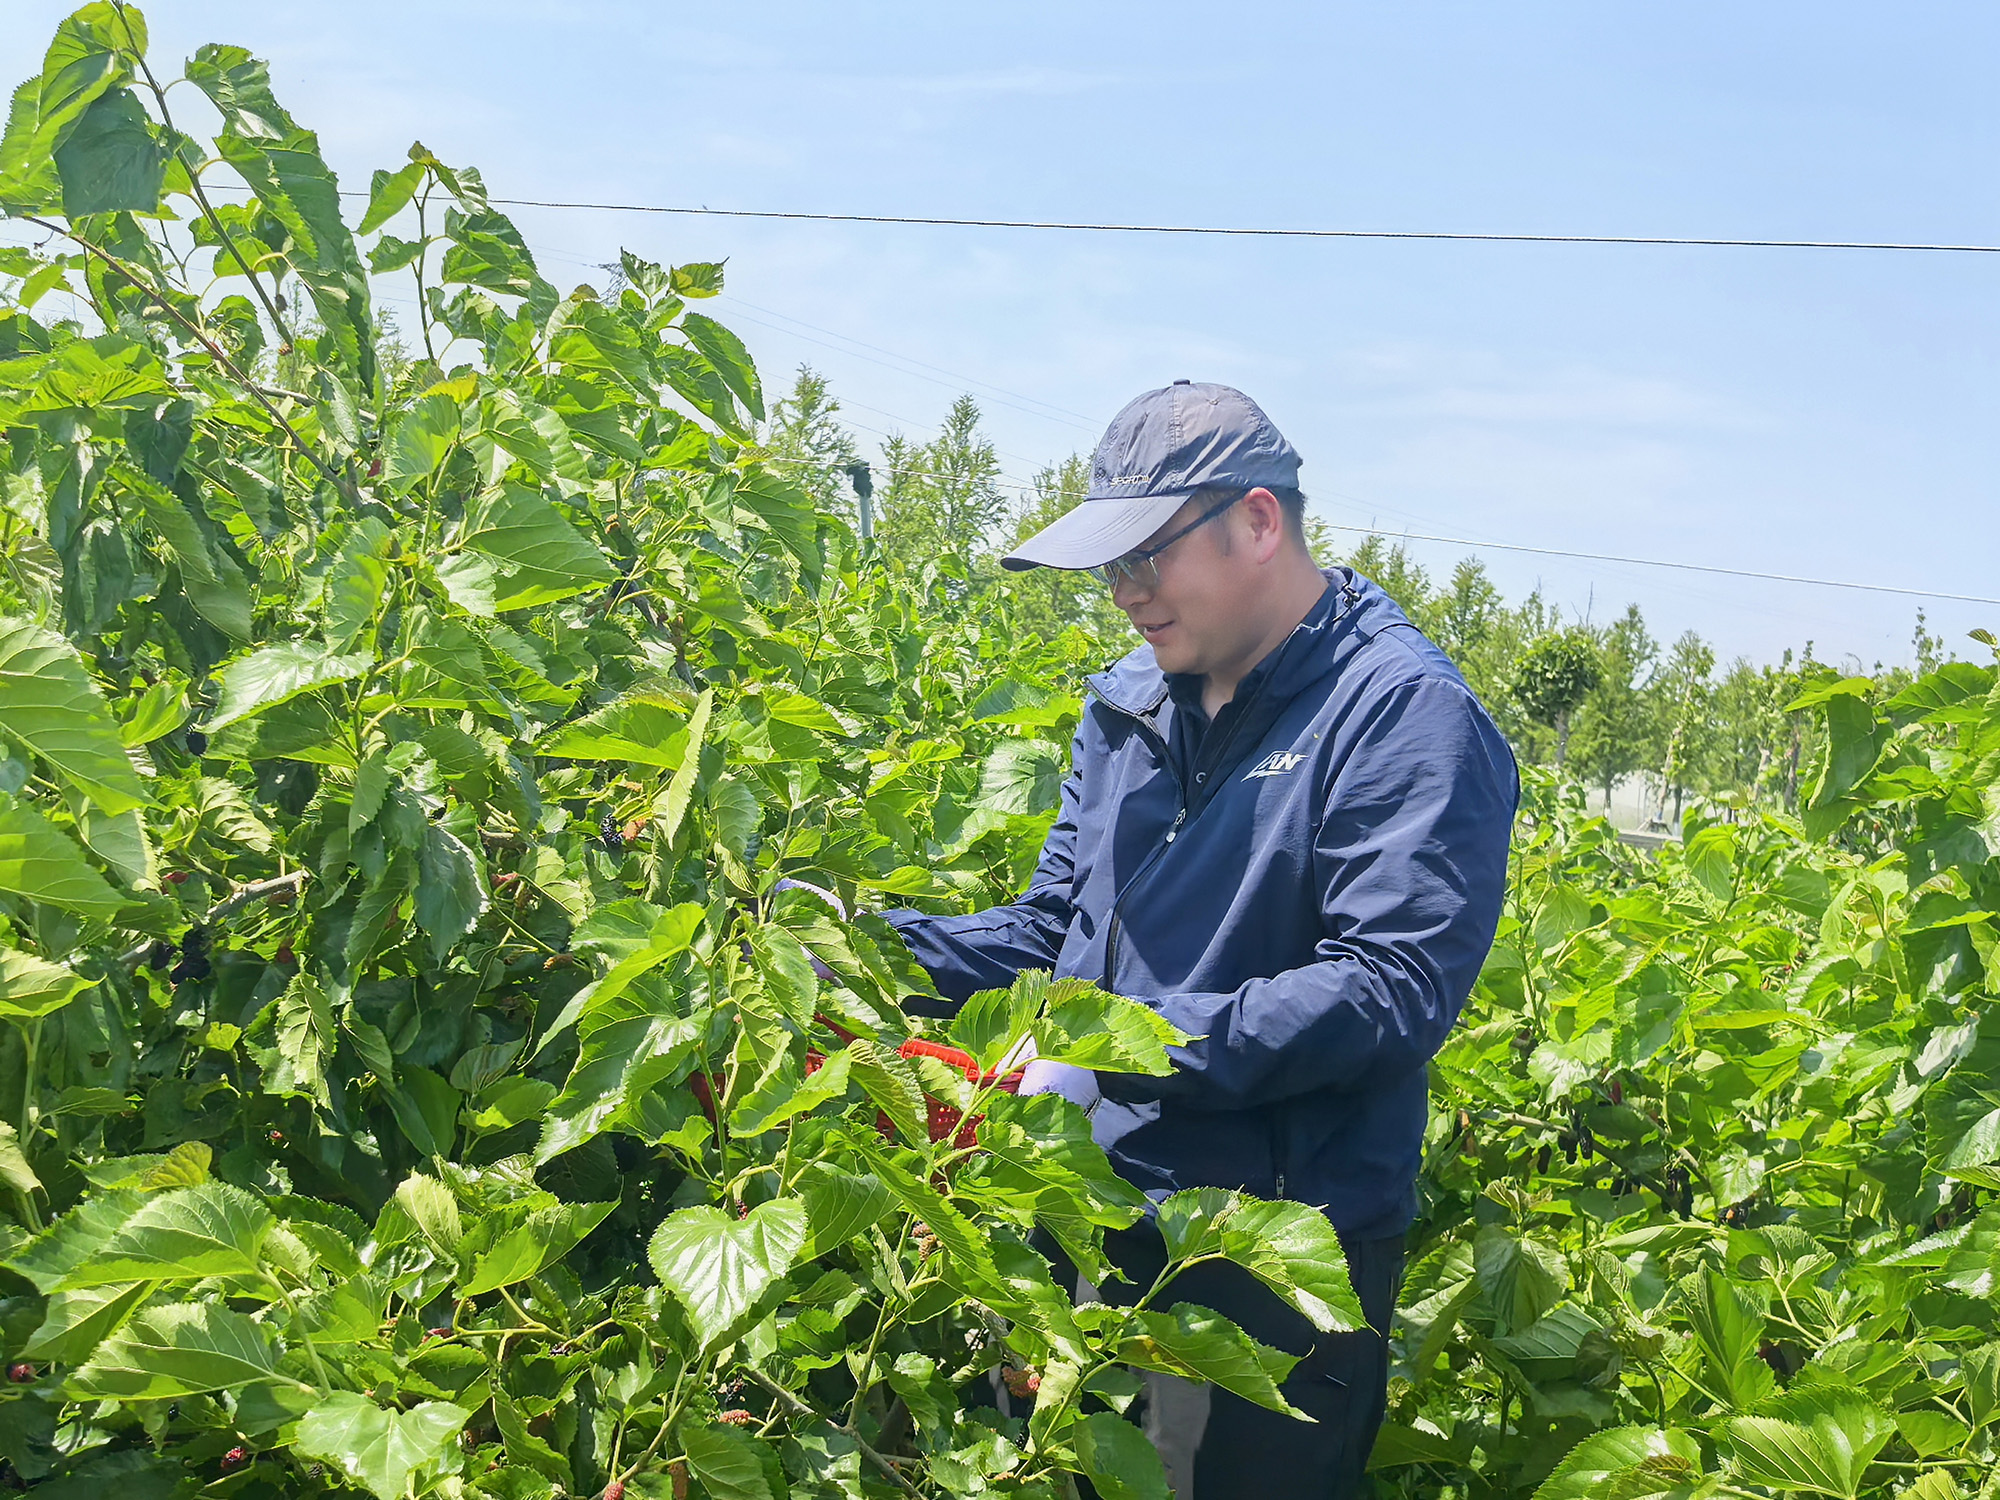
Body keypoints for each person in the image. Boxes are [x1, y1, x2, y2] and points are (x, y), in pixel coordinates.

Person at [886, 380, 1518, 1499]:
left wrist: (1121, 1046)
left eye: (1146, 558)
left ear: (1259, 522)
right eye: (1107, 569)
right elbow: (1054, 927)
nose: (1122, 594)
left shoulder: (1396, 714)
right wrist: (858, 944)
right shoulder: (1130, 704)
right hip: (1084, 1211)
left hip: (1260, 1254)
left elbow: (1388, 989)